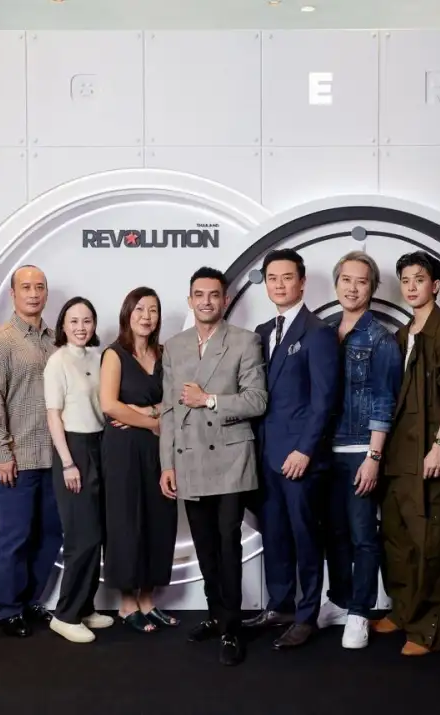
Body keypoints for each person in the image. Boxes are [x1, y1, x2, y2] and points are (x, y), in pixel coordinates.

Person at [159, 267, 268, 666]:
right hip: (189, 459)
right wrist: (167, 464)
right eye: (199, 295)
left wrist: (209, 400)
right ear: (190, 300)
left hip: (231, 459)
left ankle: (232, 627)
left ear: (225, 300)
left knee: (227, 543)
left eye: (214, 295)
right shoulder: (174, 346)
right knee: (204, 545)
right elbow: (169, 411)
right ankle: (215, 613)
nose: (206, 301)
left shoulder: (244, 341)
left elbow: (257, 400)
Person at [373, 251, 440, 655]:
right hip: (399, 456)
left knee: (431, 543)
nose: (412, 286)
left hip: (433, 455)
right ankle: (403, 611)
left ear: (435, 285)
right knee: (397, 538)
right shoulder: (402, 335)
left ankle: (426, 630)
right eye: (406, 280)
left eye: (420, 279)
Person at [243, 248, 341, 649]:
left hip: (300, 457)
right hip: (266, 455)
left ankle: (306, 615)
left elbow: (324, 400)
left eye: (287, 277)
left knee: (305, 536)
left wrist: (305, 450)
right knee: (275, 534)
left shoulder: (318, 331)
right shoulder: (262, 331)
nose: (279, 284)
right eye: (272, 278)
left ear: (302, 282)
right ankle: (280, 605)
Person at [318, 252, 402, 650]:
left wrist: (374, 456)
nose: (352, 288)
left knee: (363, 534)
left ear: (372, 288)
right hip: (324, 449)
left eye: (362, 281)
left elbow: (385, 400)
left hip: (359, 449)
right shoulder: (324, 332)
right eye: (346, 280)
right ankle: (339, 600)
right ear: (336, 284)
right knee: (333, 531)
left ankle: (360, 612)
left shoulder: (381, 339)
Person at [0, 265, 63, 638]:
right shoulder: (1, 341)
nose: (33, 293)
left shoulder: (55, 340)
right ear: (13, 294)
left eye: (39, 287)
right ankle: (9, 609)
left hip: (55, 457)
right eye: (26, 287)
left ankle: (31, 601)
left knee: (51, 534)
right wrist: (0, 450)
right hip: (19, 455)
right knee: (14, 537)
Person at [100, 287, 179, 633]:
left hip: (160, 451)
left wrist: (145, 411)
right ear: (127, 314)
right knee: (125, 521)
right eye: (140, 309)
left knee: (159, 521)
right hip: (123, 450)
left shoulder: (165, 354)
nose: (147, 317)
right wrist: (153, 421)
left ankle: (148, 600)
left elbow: (174, 400)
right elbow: (109, 405)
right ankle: (126, 603)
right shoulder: (114, 354)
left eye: (153, 310)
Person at [43, 297, 114, 644]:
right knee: (80, 538)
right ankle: (65, 615)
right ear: (63, 325)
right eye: (74, 321)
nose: (81, 327)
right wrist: (68, 462)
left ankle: (85, 607)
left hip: (101, 445)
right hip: (73, 449)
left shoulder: (99, 358)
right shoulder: (57, 361)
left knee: (97, 534)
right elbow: (53, 415)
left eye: (87, 320)